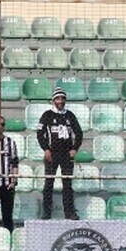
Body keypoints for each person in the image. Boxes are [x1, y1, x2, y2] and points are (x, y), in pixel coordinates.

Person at [36, 86, 84, 220]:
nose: (60, 101)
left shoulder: (69, 115)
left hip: (67, 154)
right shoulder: (47, 115)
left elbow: (79, 133)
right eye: (58, 98)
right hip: (52, 154)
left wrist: (75, 148)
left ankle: (69, 212)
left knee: (67, 184)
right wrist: (45, 149)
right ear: (53, 100)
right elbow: (40, 133)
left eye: (62, 98)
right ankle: (46, 212)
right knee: (49, 183)